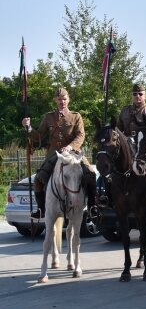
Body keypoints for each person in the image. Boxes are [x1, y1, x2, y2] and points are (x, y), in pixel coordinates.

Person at [21, 86, 98, 219]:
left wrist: (70, 147)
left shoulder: (76, 116)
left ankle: (92, 206)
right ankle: (41, 209)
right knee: (39, 180)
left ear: (68, 100)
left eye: (64, 99)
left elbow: (81, 135)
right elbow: (39, 136)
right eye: (59, 99)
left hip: (73, 153)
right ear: (55, 100)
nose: (62, 101)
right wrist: (28, 128)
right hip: (54, 154)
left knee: (90, 174)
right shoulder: (48, 117)